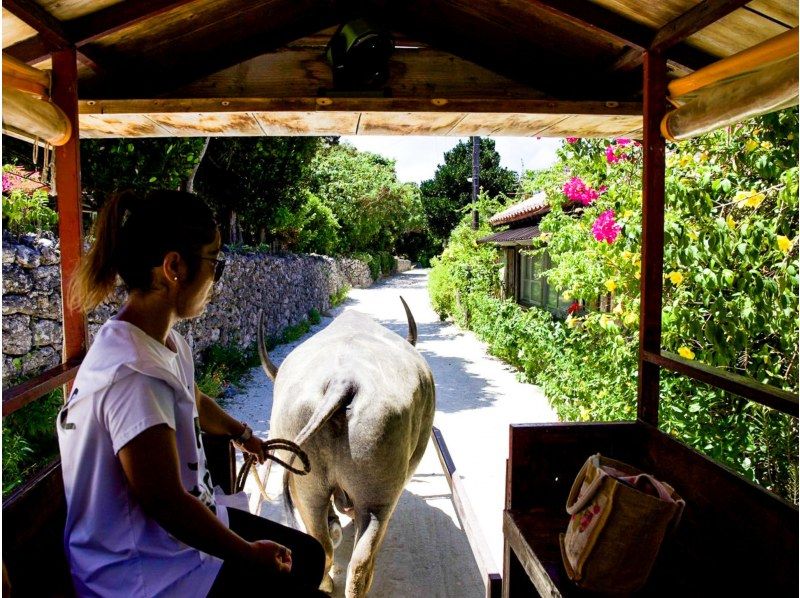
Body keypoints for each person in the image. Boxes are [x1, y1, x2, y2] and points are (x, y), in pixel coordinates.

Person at [58, 190, 325, 597]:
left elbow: (194, 400)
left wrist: (241, 434)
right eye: (215, 262)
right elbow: (165, 503)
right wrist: (248, 554)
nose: (216, 279)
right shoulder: (131, 376)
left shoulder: (163, 343)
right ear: (174, 267)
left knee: (308, 555)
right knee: (295, 571)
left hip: (172, 546)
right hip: (144, 574)